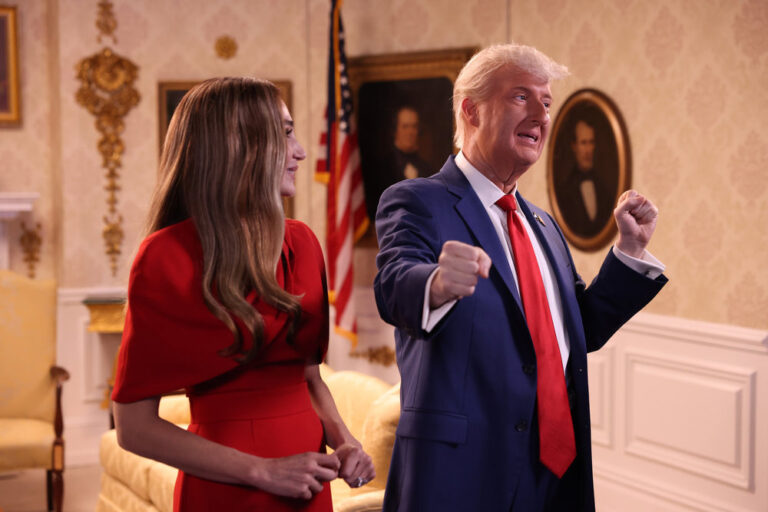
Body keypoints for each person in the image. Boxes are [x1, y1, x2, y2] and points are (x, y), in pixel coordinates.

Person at [374, 44, 667, 511]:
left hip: (554, 475)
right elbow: (394, 287)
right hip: (461, 474)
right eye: (520, 97)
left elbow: (580, 329)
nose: (541, 115)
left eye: (546, 102)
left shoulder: (544, 225)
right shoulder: (416, 200)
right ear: (471, 110)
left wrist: (629, 250)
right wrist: (438, 283)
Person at [111, 77, 374, 512]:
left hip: (309, 485)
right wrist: (262, 471)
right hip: (227, 489)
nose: (300, 152)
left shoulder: (304, 243)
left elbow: (309, 378)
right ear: (242, 146)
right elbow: (133, 428)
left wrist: (345, 442)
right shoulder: (165, 256)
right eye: (286, 134)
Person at [555, 118, 614, 238]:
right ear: (574, 146)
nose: (588, 150)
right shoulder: (564, 191)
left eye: (591, 142)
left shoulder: (604, 188)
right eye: (583, 143)